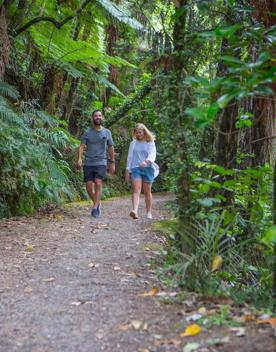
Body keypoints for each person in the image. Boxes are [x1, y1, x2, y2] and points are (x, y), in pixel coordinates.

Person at [77, 110, 115, 218]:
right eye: (96, 116)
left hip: (101, 162)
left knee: (98, 182)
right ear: (92, 117)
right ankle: (97, 203)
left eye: (99, 115)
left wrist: (112, 162)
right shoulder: (87, 132)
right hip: (89, 162)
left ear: (102, 117)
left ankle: (94, 209)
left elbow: (111, 147)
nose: (98, 117)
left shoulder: (107, 132)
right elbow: (81, 146)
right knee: (89, 187)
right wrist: (79, 159)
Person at [125, 123, 158, 220]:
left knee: (147, 191)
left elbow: (153, 154)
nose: (138, 134)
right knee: (136, 189)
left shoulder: (150, 142)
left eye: (140, 132)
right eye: (136, 133)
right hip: (136, 168)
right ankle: (134, 210)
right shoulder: (133, 143)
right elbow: (130, 157)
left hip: (148, 168)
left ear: (144, 132)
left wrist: (146, 161)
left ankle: (149, 212)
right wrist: (128, 169)